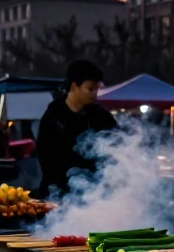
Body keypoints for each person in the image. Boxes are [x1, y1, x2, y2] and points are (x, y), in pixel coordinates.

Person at [36, 59, 118, 196]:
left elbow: (118, 143)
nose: (95, 94)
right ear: (74, 86)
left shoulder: (101, 116)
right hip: (58, 195)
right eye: (90, 89)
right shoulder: (53, 116)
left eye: (97, 89)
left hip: (96, 195)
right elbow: (46, 160)